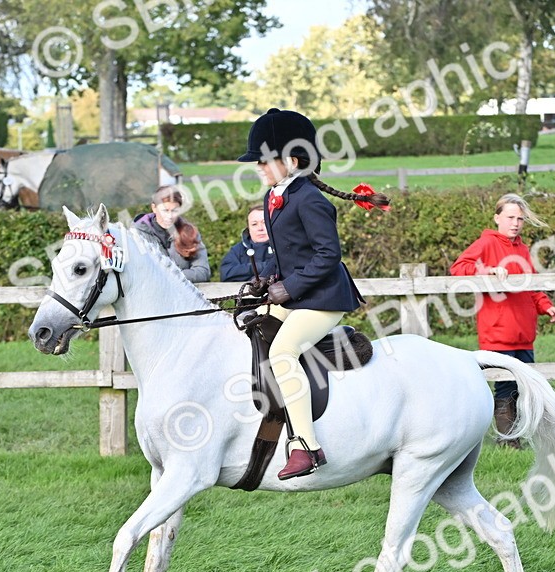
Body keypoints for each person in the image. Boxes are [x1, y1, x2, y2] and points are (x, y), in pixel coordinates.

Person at [237, 107, 387, 479]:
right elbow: (286, 255)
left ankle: (306, 445)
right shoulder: (274, 196)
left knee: (282, 351)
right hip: (298, 297)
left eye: (264, 160)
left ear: (291, 161)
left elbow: (327, 256)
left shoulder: (310, 200)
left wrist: (288, 287)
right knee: (250, 326)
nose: (258, 166)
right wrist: (265, 281)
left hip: (323, 299)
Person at [449, 194, 555, 448]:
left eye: (520, 219)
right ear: (497, 218)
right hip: (497, 332)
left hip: (524, 333)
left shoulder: (522, 249)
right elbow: (459, 268)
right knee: (505, 388)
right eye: (510, 217)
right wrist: (487, 271)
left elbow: (531, 285)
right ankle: (507, 442)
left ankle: (521, 436)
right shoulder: (486, 243)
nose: (515, 223)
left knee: (525, 387)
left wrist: (545, 305)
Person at [136, 186, 211, 283]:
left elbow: (203, 271)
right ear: (154, 208)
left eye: (174, 211)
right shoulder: (138, 234)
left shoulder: (190, 233)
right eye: (165, 210)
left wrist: (172, 276)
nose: (170, 216)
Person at [219, 204, 277, 283]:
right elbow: (226, 274)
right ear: (248, 228)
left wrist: (244, 272)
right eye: (254, 224)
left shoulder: (283, 247)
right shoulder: (238, 250)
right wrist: (260, 268)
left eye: (264, 222)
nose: (260, 228)